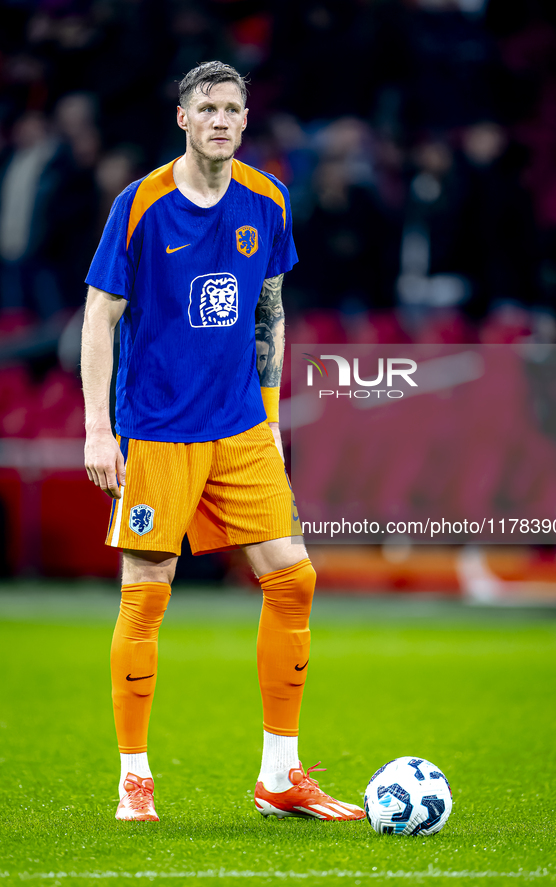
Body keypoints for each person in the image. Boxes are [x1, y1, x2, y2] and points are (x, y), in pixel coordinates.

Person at [81, 60, 365, 824]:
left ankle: (279, 774)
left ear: (245, 120)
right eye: (206, 107)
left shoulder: (267, 199)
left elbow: (270, 310)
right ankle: (134, 778)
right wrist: (97, 429)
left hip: (240, 424)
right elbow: (100, 315)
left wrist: (270, 418)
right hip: (159, 428)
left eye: (233, 109)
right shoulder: (139, 205)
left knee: (293, 579)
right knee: (146, 595)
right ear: (182, 118)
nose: (221, 119)